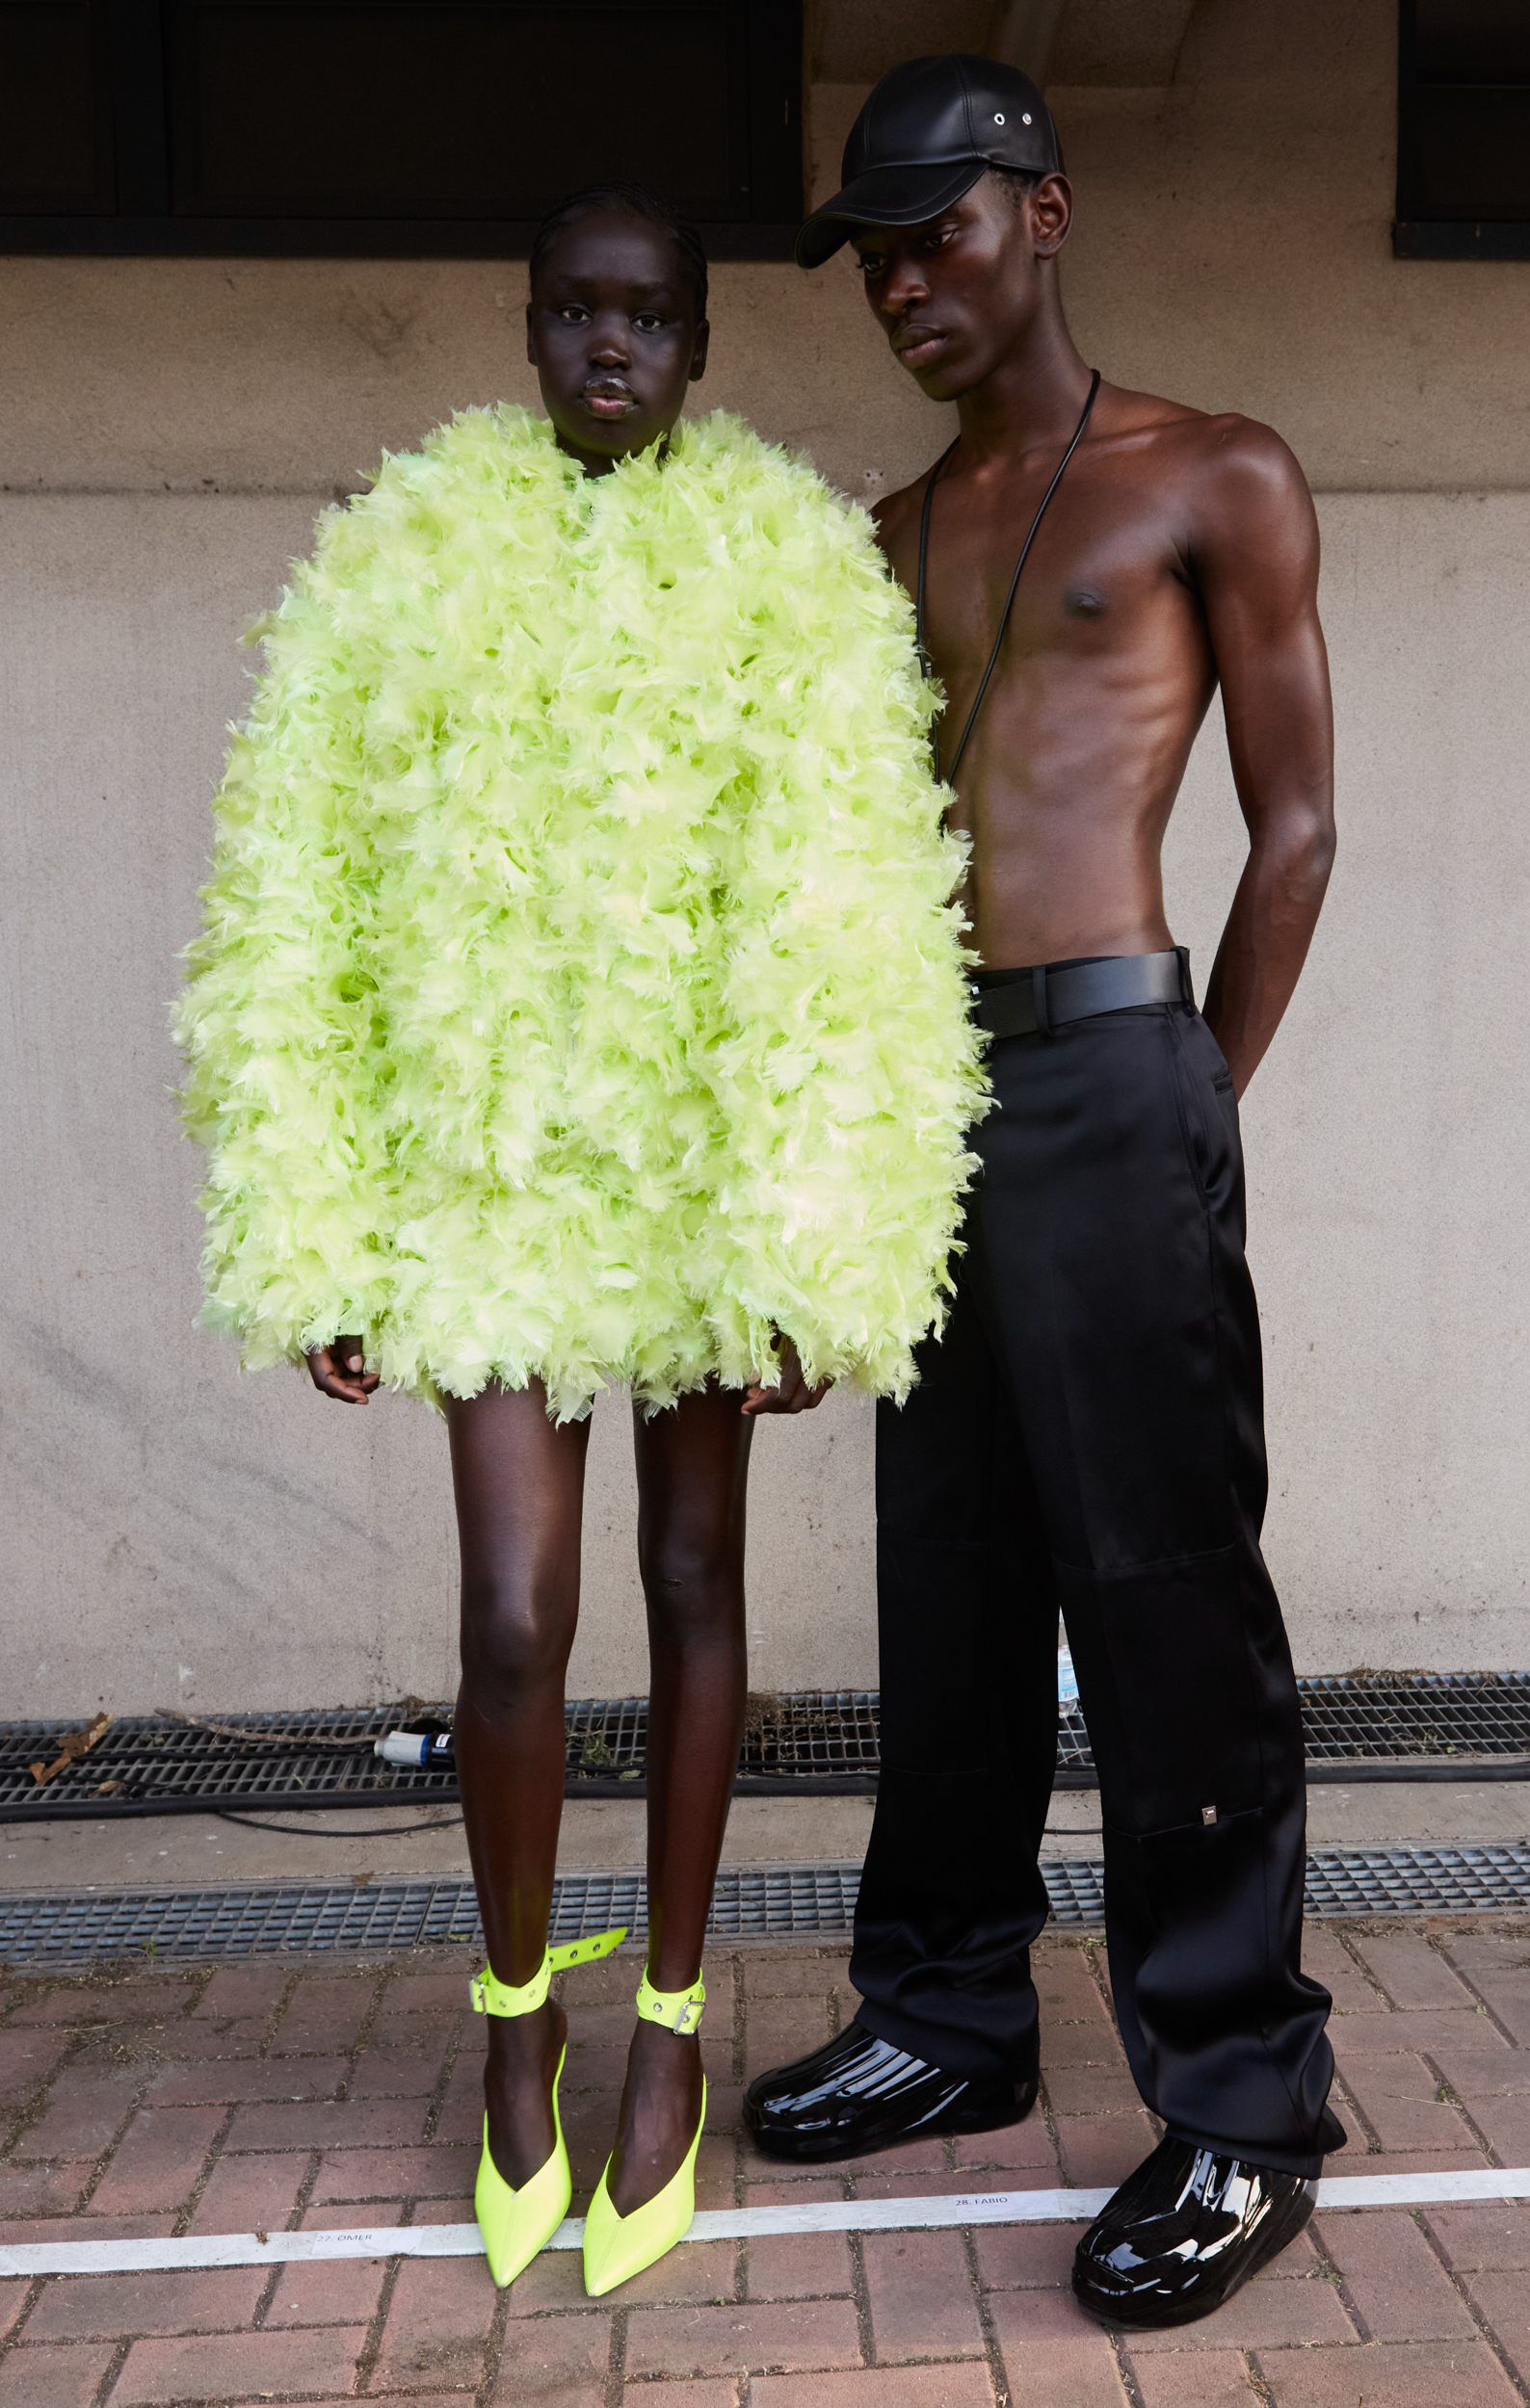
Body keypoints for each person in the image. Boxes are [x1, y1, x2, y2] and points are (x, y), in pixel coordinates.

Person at [174, 181, 982, 2299]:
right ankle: (519, 2014)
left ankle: (677, 2029)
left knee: (695, 1577)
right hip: (493, 1174)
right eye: (574, 315)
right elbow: (298, 876)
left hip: (708, 1160)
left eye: (647, 317)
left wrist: (826, 1228)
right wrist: (315, 1212)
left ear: (699, 343)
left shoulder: (795, 563)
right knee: (517, 1615)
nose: (609, 348)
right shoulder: (404, 548)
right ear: (526, 329)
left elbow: (856, 903)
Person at [742, 58, 1343, 2329]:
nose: (904, 279)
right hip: (927, 1090)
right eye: (872, 253)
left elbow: (1293, 822)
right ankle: (953, 2011)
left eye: (941, 232)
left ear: (1047, 212)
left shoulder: (1215, 470)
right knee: (955, 1573)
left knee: (1167, 1586)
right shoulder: (889, 533)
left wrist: (1197, 1086)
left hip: (1117, 1059)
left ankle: (1245, 2102)